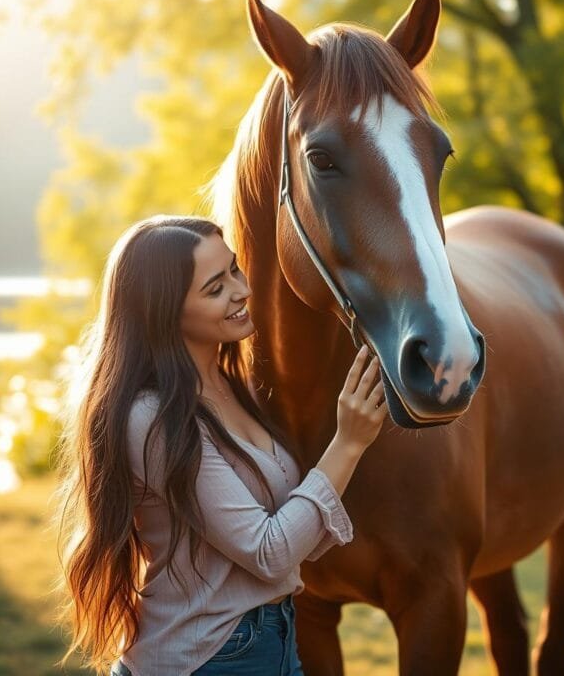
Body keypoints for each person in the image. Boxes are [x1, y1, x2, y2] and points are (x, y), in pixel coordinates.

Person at [56, 215, 387, 676]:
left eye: (234, 269)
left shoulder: (239, 387)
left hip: (276, 641)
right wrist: (349, 442)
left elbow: (292, 531)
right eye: (215, 288)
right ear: (165, 312)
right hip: (206, 658)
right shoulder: (152, 418)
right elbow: (269, 552)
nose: (242, 290)